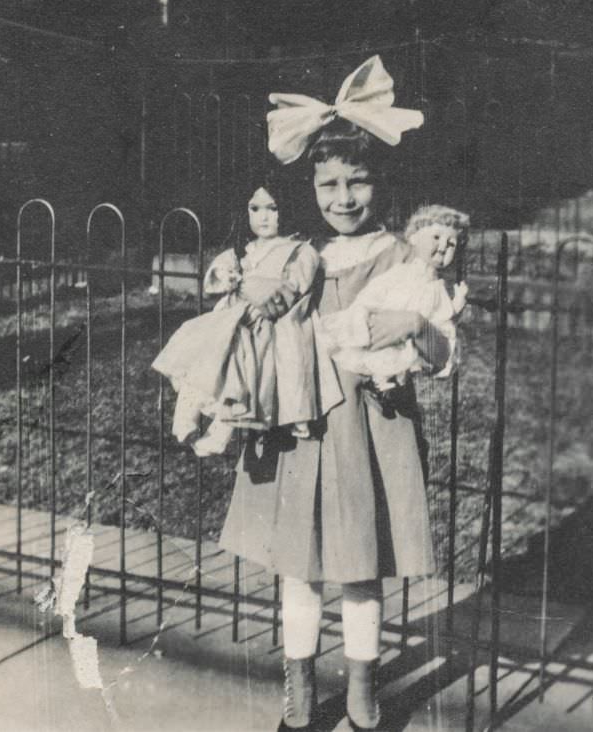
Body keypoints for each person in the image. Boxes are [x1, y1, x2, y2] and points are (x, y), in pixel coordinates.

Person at [218, 56, 451, 731]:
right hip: (299, 424)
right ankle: (297, 691)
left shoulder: (403, 256)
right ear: (310, 188)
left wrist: (416, 325)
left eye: (358, 182)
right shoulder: (298, 252)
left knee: (359, 565)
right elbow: (253, 313)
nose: (344, 198)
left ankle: (360, 693)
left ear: (383, 183)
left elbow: (441, 348)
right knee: (296, 565)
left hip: (369, 430)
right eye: (329, 184)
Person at [152, 178, 335, 456]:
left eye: (272, 208)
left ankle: (220, 431)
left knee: (237, 373)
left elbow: (290, 289)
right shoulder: (243, 251)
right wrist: (226, 277)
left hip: (263, 325)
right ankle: (186, 413)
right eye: (255, 208)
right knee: (200, 356)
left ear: (288, 209)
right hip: (229, 322)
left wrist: (257, 291)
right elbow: (216, 278)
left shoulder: (300, 250)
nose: (263, 217)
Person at [320, 203, 469, 392]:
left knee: (399, 359)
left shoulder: (438, 288)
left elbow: (441, 321)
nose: (442, 247)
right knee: (374, 350)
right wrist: (366, 311)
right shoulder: (402, 273)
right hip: (381, 327)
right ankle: (380, 382)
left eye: (451, 244)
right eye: (436, 237)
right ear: (414, 238)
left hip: (408, 341)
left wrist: (456, 306)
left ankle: (385, 384)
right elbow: (377, 290)